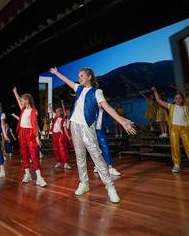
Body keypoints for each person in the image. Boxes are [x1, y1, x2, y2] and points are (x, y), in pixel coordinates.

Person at [50, 67, 136, 203]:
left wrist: (122, 121)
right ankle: (84, 183)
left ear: (89, 77)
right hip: (74, 125)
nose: (79, 78)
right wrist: (56, 73)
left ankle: (110, 187)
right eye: (78, 76)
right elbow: (66, 81)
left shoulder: (97, 92)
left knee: (97, 156)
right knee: (80, 156)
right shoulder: (78, 88)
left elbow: (107, 107)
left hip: (86, 127)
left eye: (82, 75)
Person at [151, 87, 189, 175]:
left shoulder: (186, 108)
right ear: (174, 100)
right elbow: (159, 100)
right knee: (175, 146)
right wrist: (155, 91)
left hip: (185, 129)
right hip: (174, 129)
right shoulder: (171, 106)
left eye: (180, 98)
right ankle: (176, 165)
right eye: (176, 98)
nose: (178, 99)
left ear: (182, 99)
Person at [13, 86, 47, 187]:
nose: (21, 102)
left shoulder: (33, 111)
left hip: (30, 133)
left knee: (34, 154)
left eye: (22, 100)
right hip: (22, 132)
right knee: (24, 154)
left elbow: (34, 124)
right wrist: (15, 92)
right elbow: (18, 100)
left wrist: (37, 138)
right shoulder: (23, 109)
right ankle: (27, 174)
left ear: (27, 101)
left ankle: (39, 177)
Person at [94, 106, 121, 176]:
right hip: (93, 132)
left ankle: (110, 168)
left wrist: (107, 127)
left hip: (101, 131)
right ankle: (98, 166)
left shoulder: (106, 111)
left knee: (105, 148)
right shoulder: (93, 109)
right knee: (95, 150)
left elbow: (107, 120)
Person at [49, 103, 71, 170]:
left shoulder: (64, 119)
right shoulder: (55, 117)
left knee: (63, 149)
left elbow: (65, 129)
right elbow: (52, 111)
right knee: (56, 149)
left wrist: (68, 137)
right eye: (56, 111)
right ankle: (58, 162)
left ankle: (66, 163)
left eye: (58, 111)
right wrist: (50, 106)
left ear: (61, 112)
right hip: (54, 135)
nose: (57, 112)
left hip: (60, 135)